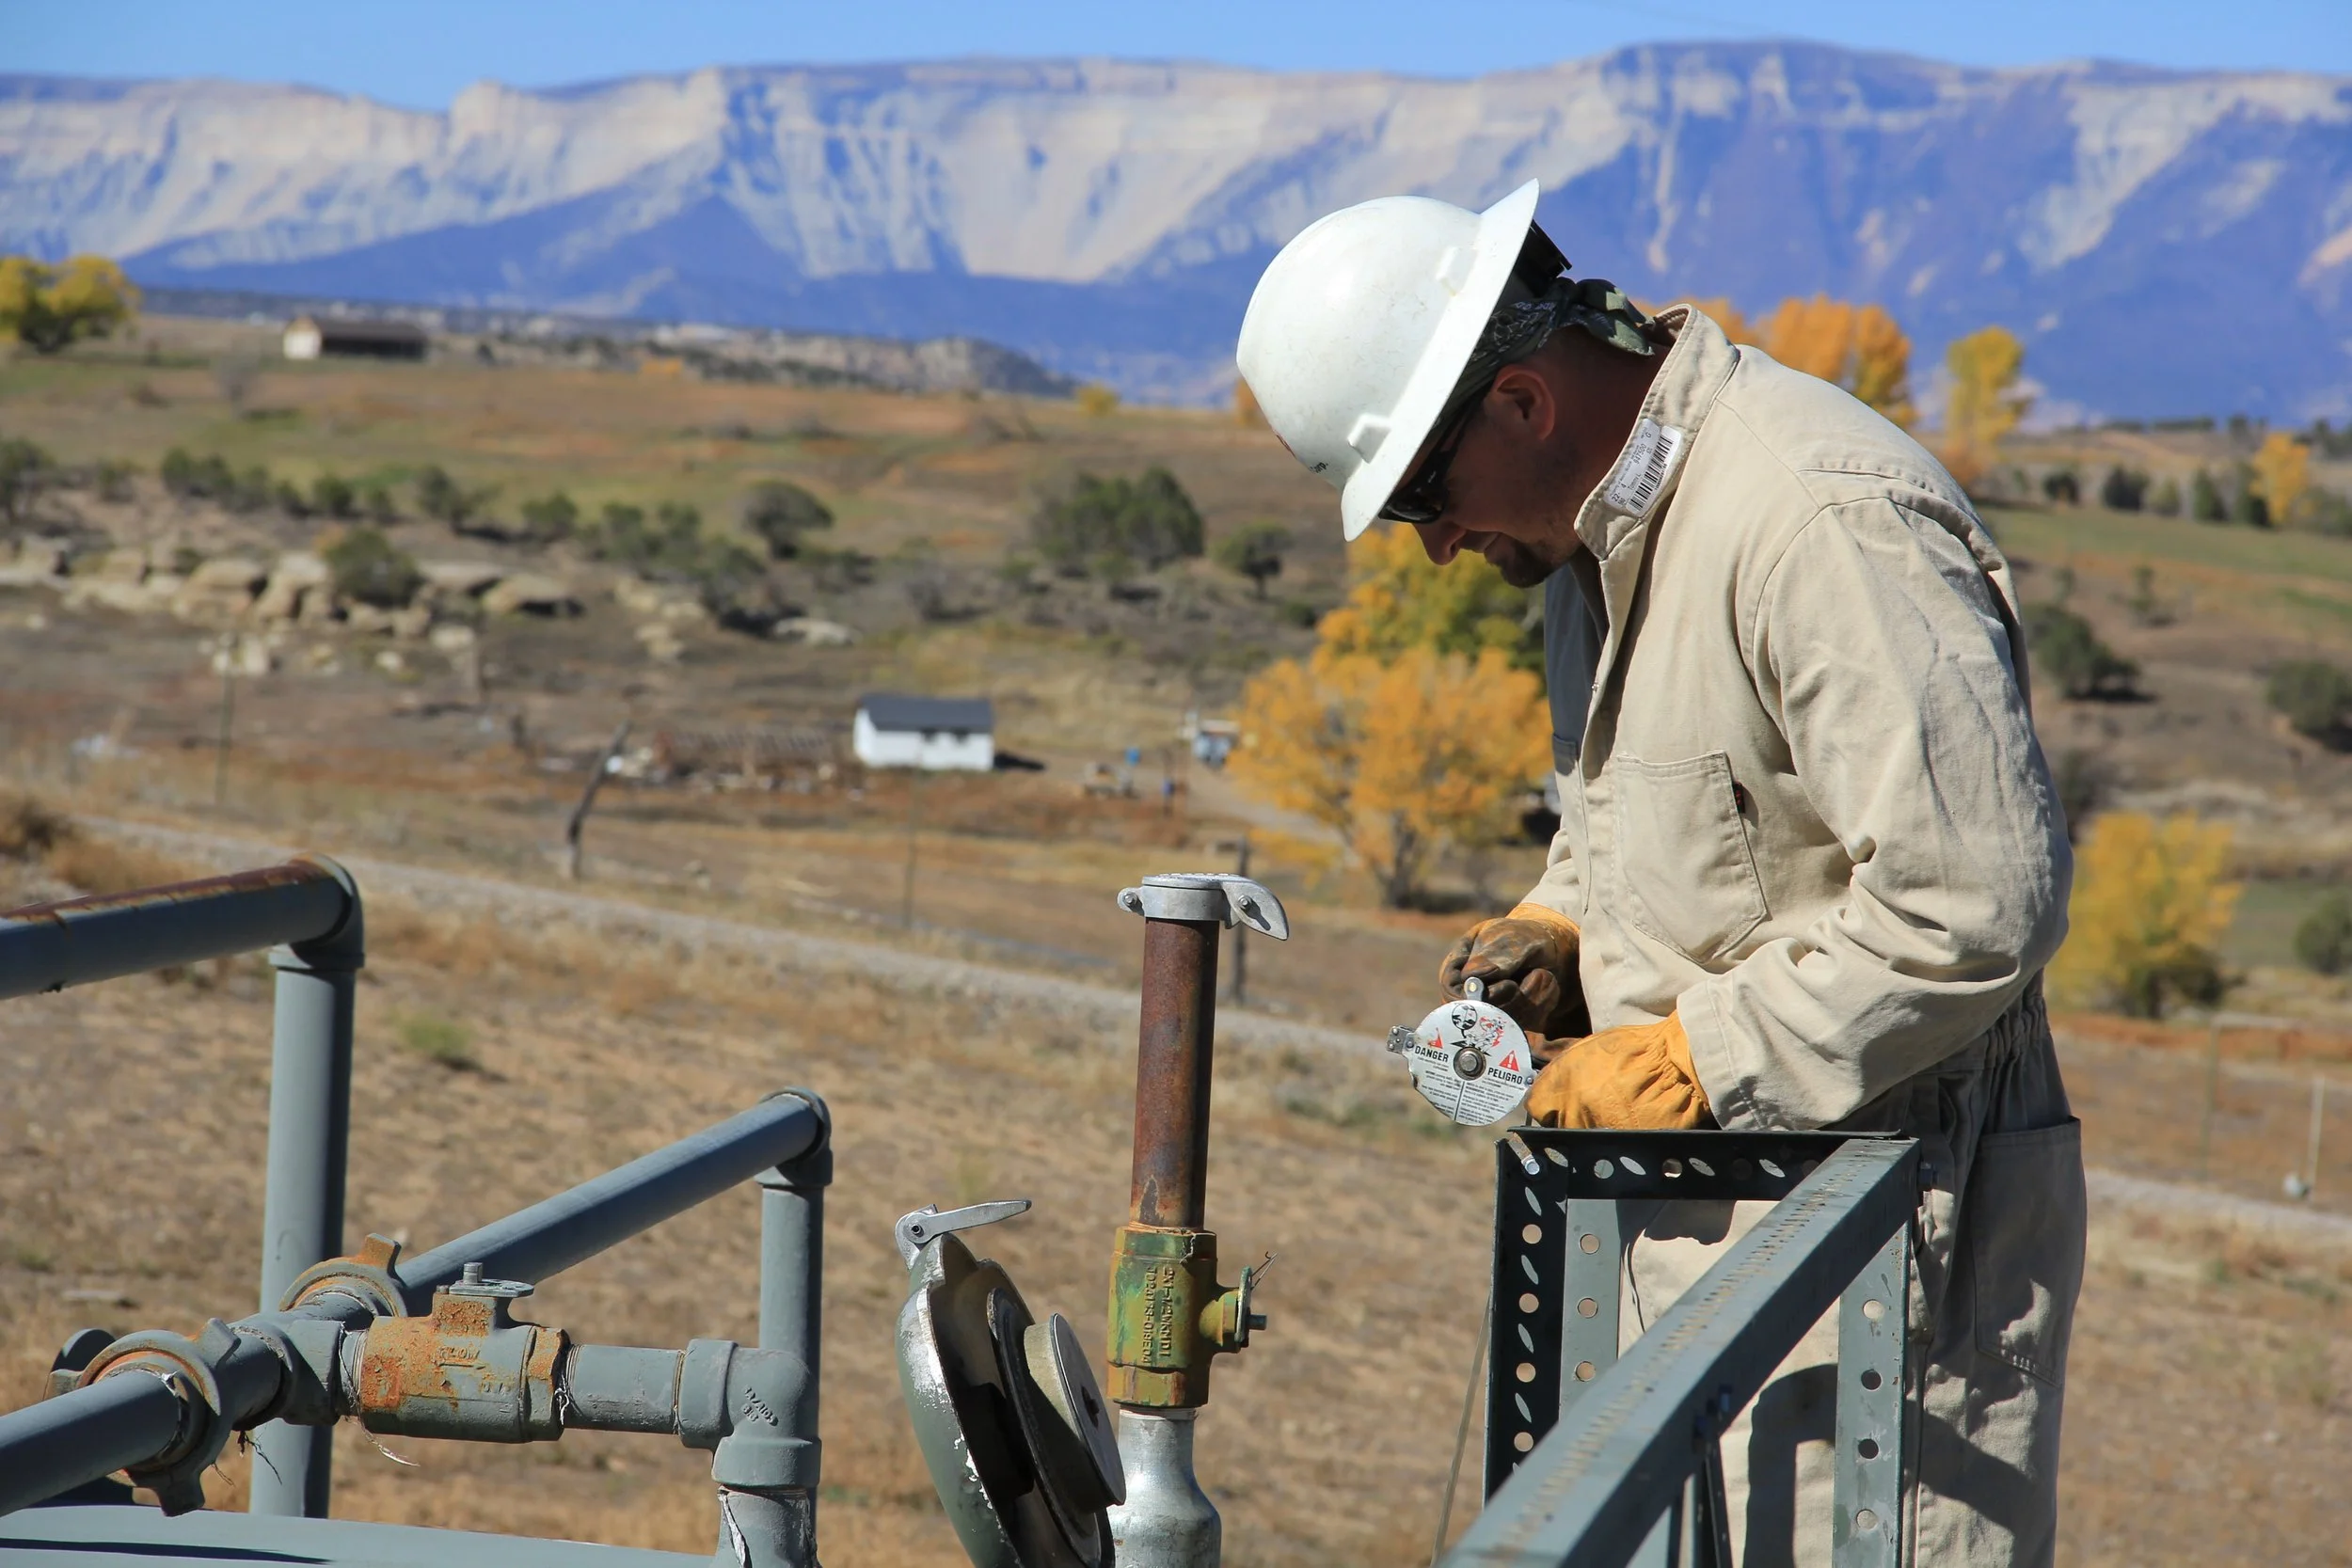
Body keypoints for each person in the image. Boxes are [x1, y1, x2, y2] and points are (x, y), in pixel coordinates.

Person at [1236, 182, 2081, 1567]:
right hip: (1699, 1231)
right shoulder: (1592, 544)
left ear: (1523, 403)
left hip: (1884, 1263)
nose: (1436, 545)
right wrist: (1557, 925)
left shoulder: (1815, 521)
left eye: (1423, 497)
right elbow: (1636, 818)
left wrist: (1689, 1065)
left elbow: (1974, 904)